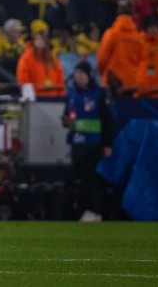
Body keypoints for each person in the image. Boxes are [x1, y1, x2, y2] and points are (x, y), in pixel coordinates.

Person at [63, 62, 113, 222]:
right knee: (81, 179)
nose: (78, 77)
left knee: (88, 177)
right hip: (76, 142)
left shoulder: (98, 94)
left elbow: (107, 120)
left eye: (82, 74)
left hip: (92, 143)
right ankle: (87, 210)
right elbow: (67, 116)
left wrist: (107, 144)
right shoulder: (71, 94)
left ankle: (94, 210)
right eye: (76, 73)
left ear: (88, 75)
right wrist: (66, 121)